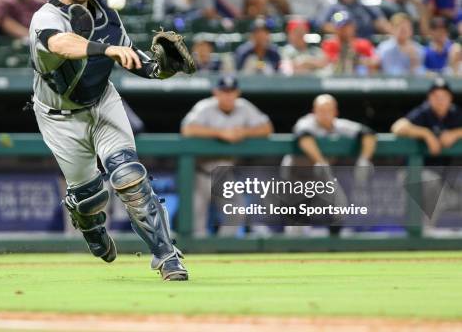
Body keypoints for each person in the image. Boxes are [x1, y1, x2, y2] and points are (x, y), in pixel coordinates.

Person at [28, 0, 193, 280]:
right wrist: (107, 49)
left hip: (103, 102)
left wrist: (163, 69)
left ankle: (166, 255)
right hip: (59, 116)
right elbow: (61, 45)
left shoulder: (106, 12)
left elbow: (133, 58)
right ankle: (86, 218)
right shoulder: (46, 16)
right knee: (90, 198)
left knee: (128, 175)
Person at [181, 75, 273, 237]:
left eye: (231, 91)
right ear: (216, 92)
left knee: (237, 211)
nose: (228, 95)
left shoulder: (244, 107)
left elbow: (267, 128)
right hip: (201, 171)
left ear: (237, 93)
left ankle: (221, 250)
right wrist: (221, 133)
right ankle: (197, 255)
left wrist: (245, 132)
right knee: (196, 221)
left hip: (224, 172)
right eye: (224, 91)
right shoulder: (205, 107)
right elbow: (188, 129)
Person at [281, 94, 376, 236]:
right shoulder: (306, 122)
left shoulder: (340, 125)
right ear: (314, 111)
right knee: (296, 224)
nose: (325, 114)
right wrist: (320, 160)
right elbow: (304, 137)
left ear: (335, 112)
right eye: (321, 110)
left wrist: (364, 160)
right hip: (296, 176)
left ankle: (333, 246)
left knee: (340, 208)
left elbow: (368, 134)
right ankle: (294, 254)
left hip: (322, 176)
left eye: (328, 110)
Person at [392, 78, 462, 157]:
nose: (440, 100)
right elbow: (397, 127)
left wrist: (455, 133)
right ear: (429, 98)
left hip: (452, 166)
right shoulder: (424, 111)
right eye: (435, 96)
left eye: (444, 96)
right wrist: (426, 134)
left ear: (450, 98)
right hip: (424, 165)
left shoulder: (455, 112)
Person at [319, 0, 391, 38]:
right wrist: (344, 31)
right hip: (342, 44)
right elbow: (321, 24)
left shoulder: (364, 6)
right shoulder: (333, 7)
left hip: (366, 42)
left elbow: (381, 22)